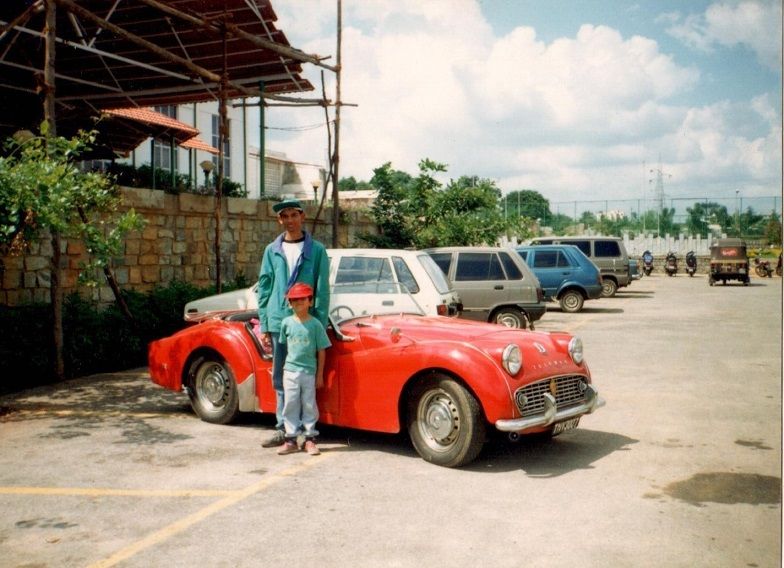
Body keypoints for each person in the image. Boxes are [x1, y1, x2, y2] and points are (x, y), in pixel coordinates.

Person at [257, 199, 330, 448]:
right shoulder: (272, 250)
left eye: (294, 215)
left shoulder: (317, 250)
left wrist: (317, 322)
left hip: (306, 322)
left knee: (307, 377)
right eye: (284, 216)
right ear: (280, 220)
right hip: (279, 321)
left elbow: (322, 289)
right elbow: (265, 287)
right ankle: (284, 430)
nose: (290, 220)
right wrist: (266, 323)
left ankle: (309, 433)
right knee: (281, 376)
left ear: (302, 216)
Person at [276, 282, 331, 455]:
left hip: (309, 372)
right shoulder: (286, 323)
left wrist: (320, 375)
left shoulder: (315, 325)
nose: (298, 303)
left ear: (310, 301)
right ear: (289, 303)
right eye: (293, 300)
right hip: (290, 371)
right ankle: (291, 439)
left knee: (308, 405)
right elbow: (283, 348)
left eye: (302, 299)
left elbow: (321, 351)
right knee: (290, 403)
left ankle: (309, 439)